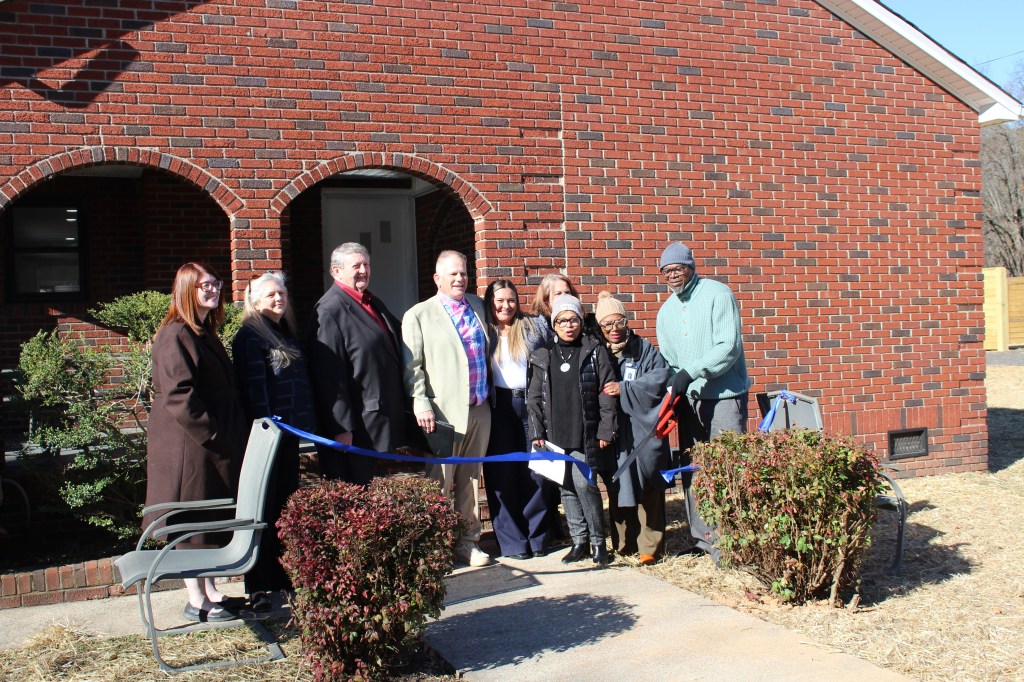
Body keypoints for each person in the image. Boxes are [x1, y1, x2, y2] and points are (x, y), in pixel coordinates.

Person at [143, 262, 248, 623]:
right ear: (187, 289)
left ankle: (211, 591)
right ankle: (196, 599)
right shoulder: (175, 334)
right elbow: (178, 396)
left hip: (208, 447)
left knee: (208, 519)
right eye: (205, 286)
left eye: (216, 284)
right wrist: (214, 433)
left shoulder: (202, 331)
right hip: (190, 446)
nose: (213, 290)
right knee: (191, 523)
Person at [655, 242, 752, 557]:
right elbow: (670, 360)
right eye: (667, 271)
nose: (673, 275)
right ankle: (702, 540)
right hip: (689, 401)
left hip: (723, 397)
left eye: (678, 268)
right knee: (693, 470)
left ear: (690, 267)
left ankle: (732, 543)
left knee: (726, 469)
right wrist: (674, 382)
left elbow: (728, 348)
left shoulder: (718, 294)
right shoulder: (666, 311)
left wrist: (691, 372)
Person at [403, 251, 493, 567]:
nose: (459, 279)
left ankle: (468, 542)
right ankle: (435, 547)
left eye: (464, 273)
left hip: (479, 407)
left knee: (471, 478)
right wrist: (420, 402)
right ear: (437, 278)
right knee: (439, 481)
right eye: (452, 274)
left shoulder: (478, 306)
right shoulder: (419, 315)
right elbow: (413, 366)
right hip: (442, 413)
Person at [232, 272, 316, 612]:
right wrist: (268, 431)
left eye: (282, 292)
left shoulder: (283, 332)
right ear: (255, 301)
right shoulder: (250, 336)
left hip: (290, 437)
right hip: (268, 441)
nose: (279, 298)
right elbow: (255, 393)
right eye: (270, 294)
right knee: (265, 510)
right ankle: (260, 585)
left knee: (284, 506)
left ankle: (283, 578)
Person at [527, 295, 617, 566]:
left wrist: (605, 429)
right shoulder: (543, 356)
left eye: (573, 319)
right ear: (554, 324)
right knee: (566, 488)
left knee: (584, 484)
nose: (568, 325)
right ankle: (579, 540)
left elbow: (607, 392)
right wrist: (537, 432)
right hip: (555, 435)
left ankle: (599, 542)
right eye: (562, 320)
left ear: (580, 321)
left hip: (584, 432)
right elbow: (533, 399)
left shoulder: (594, 350)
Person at [307, 242, 405, 484]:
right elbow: (328, 376)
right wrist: (341, 428)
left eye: (366, 264)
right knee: (355, 502)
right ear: (336, 271)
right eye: (356, 265)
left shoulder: (372, 302)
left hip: (381, 421)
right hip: (356, 430)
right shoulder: (329, 310)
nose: (363, 270)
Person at [595, 291, 671, 565]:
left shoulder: (644, 349)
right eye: (607, 325)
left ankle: (650, 547)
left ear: (627, 321)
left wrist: (626, 389)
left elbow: (661, 377)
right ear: (599, 326)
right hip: (615, 432)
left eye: (619, 322)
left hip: (642, 428)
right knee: (618, 484)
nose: (614, 330)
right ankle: (624, 543)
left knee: (648, 484)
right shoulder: (597, 352)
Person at [482, 279, 551, 560]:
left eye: (511, 300)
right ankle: (512, 542)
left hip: (531, 405)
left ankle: (538, 538)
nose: (505, 306)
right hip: (499, 407)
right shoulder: (484, 331)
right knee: (503, 474)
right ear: (490, 302)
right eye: (499, 300)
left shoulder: (535, 326)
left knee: (537, 473)